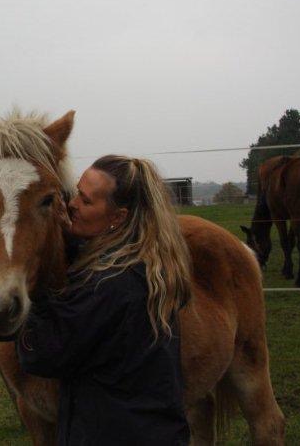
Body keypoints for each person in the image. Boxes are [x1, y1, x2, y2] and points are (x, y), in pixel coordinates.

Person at [17, 155, 192, 445]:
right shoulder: (143, 263)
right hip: (151, 430)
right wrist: (70, 242)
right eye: (75, 192)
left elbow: (42, 353)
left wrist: (41, 288)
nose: (71, 204)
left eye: (85, 201)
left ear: (118, 218)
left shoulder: (112, 286)